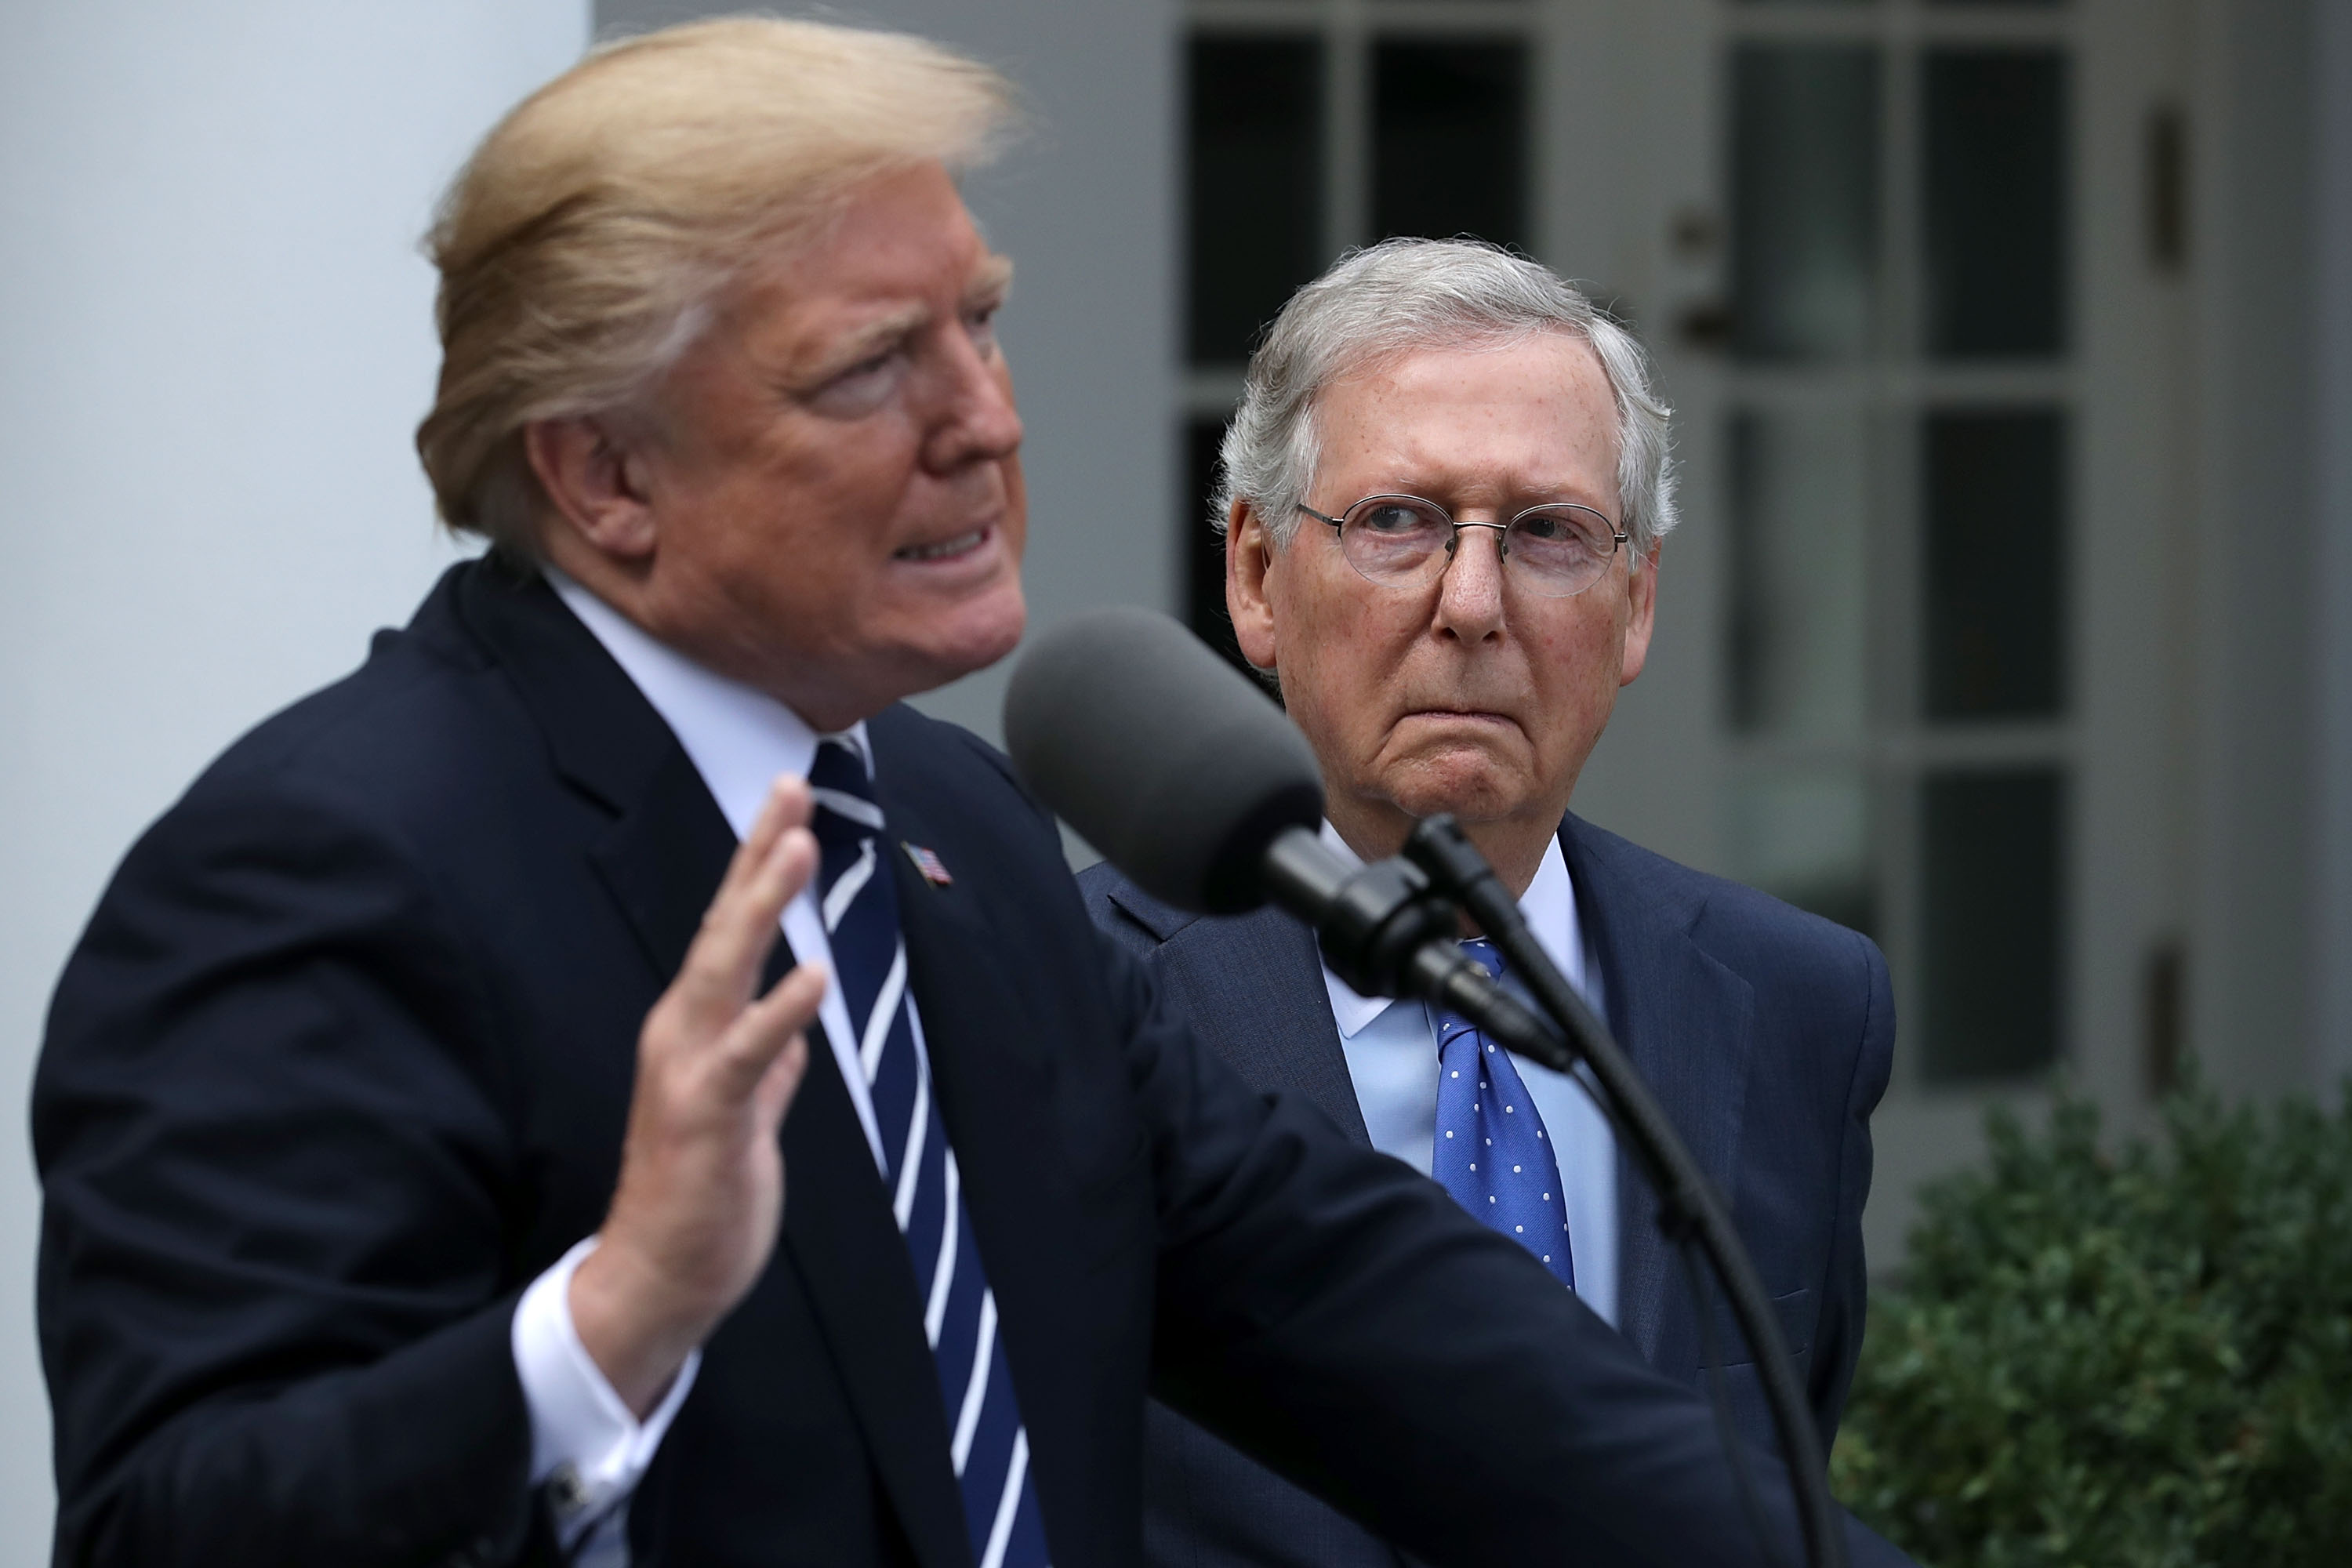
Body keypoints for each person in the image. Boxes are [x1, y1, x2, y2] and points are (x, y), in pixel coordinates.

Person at [34, 20, 1909, 1568]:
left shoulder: (953, 831)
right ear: (607, 473)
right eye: (874, 367)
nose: (987, 418)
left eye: (981, 324)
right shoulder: (322, 865)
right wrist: (601, 1330)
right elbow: (175, 1530)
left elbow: (1373, 1314)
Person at [1082, 238, 1896, 1568]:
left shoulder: (1800, 1006)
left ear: (1636, 607)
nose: (1473, 603)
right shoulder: (1071, 998)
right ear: (1254, 577)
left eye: (1549, 533)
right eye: (1398, 519)